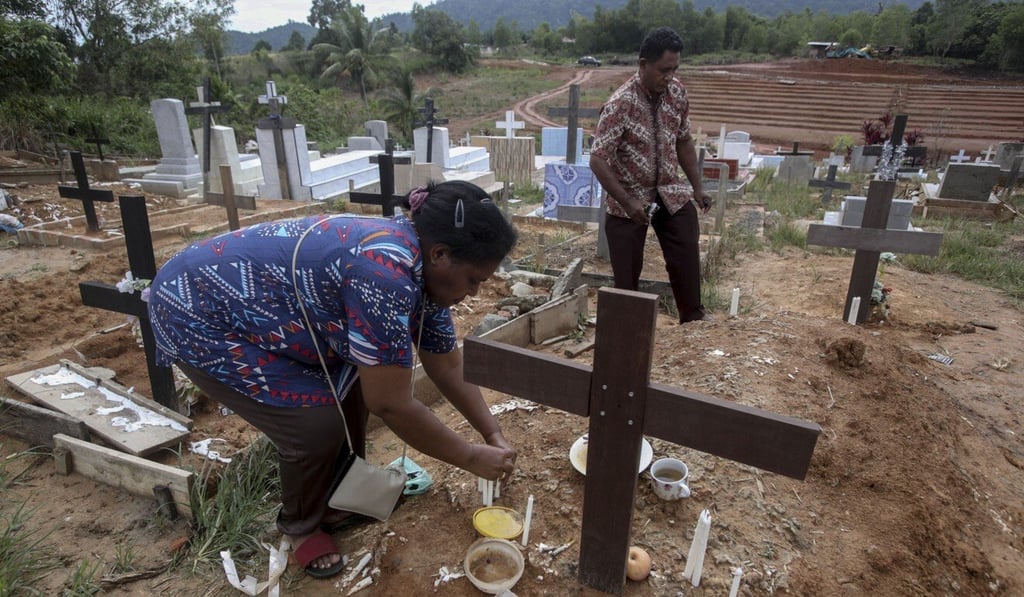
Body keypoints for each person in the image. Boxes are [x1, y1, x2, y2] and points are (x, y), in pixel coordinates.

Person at [147, 181, 519, 578]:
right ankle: (301, 526)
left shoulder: (424, 270)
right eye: (475, 280)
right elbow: (390, 404)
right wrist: (469, 456)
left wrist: (492, 434)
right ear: (441, 255)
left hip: (259, 307)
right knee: (313, 422)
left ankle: (339, 492)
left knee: (356, 384)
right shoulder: (384, 274)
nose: (476, 292)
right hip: (195, 311)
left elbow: (445, 366)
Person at [589, 26, 714, 323]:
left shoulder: (677, 93)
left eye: (674, 69)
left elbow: (683, 140)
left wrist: (697, 187)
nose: (669, 77)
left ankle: (693, 317)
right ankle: (629, 329)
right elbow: (598, 159)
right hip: (628, 197)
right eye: (663, 70)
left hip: (669, 190)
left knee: (685, 244)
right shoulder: (621, 103)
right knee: (627, 271)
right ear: (643, 64)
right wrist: (628, 202)